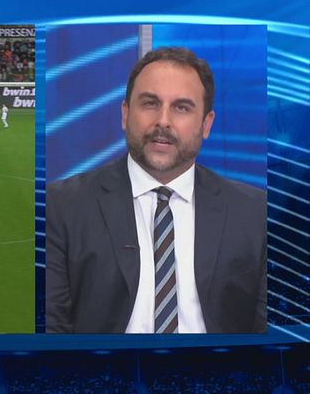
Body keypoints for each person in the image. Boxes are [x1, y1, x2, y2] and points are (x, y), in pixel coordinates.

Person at [46, 47, 266, 334]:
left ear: (206, 124)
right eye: (150, 103)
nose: (163, 120)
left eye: (181, 107)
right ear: (125, 114)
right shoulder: (61, 206)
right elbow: (51, 331)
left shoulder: (255, 213)